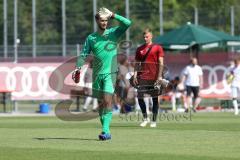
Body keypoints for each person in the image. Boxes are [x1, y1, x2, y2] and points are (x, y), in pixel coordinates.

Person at [72, 7, 131, 140]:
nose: (104, 22)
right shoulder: (91, 38)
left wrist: (113, 15)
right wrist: (77, 68)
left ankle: (105, 130)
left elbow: (128, 23)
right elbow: (83, 55)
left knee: (107, 100)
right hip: (97, 75)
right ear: (97, 20)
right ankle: (106, 130)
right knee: (101, 104)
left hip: (111, 73)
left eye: (106, 20)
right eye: (102, 20)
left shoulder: (114, 33)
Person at [132, 28, 165, 128]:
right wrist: (135, 75)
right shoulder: (139, 49)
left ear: (151, 36)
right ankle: (145, 118)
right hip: (143, 77)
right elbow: (137, 64)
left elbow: (161, 63)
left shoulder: (157, 47)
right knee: (140, 97)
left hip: (154, 77)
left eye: (147, 37)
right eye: (144, 37)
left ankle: (154, 121)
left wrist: (159, 76)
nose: (145, 38)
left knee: (155, 99)